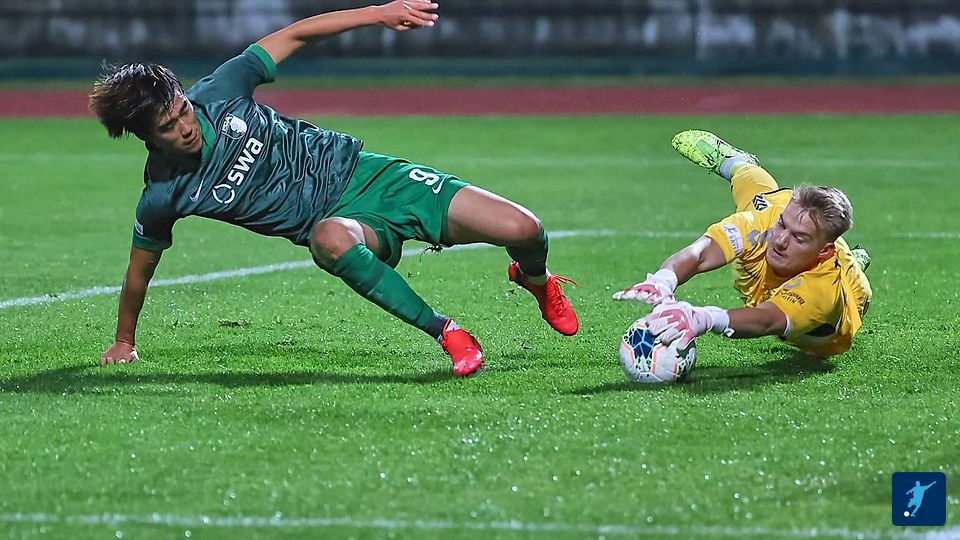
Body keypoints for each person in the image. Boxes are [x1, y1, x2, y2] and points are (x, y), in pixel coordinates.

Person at [90, 1, 579, 376]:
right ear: (147, 138)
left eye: (182, 109)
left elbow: (297, 33)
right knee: (326, 240)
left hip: (371, 177)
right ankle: (447, 332)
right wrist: (124, 341)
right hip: (346, 227)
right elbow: (139, 273)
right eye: (168, 126)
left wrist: (378, 13)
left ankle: (536, 280)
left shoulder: (220, 91)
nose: (185, 126)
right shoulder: (164, 194)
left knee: (524, 228)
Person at [613, 130, 871, 359]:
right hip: (782, 220)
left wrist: (705, 318)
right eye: (783, 225)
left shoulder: (822, 290)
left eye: (798, 238)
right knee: (752, 185)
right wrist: (663, 279)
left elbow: (766, 320)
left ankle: (854, 261)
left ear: (823, 251)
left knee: (852, 278)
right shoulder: (766, 221)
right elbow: (703, 252)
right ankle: (735, 160)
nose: (780, 240)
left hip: (843, 299)